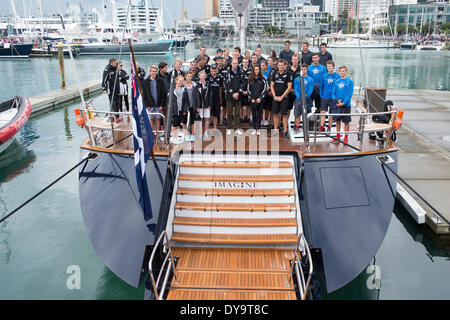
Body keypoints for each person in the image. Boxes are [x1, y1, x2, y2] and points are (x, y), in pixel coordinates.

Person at [270, 59, 293, 139]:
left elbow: (289, 87)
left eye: (281, 65)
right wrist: (274, 96)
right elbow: (272, 86)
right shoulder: (274, 73)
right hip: (276, 97)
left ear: (284, 66)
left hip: (284, 97)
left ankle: (285, 131)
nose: (280, 67)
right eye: (279, 65)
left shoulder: (288, 74)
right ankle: (275, 130)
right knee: (275, 113)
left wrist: (282, 97)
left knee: (284, 114)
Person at [331, 65, 354, 145]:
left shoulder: (349, 81)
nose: (342, 72)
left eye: (343, 71)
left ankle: (346, 137)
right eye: (341, 71)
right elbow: (333, 93)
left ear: (346, 71)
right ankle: (337, 137)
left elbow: (349, 94)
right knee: (337, 121)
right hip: (337, 104)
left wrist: (344, 103)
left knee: (346, 122)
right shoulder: (336, 81)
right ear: (339, 72)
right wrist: (336, 100)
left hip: (346, 105)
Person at [142, 65, 167, 132]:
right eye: (152, 71)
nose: (154, 73)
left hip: (158, 104)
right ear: (150, 72)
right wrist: (146, 105)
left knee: (158, 118)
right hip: (150, 104)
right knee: (151, 119)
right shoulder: (145, 82)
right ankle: (152, 133)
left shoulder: (161, 81)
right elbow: (144, 94)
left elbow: (163, 93)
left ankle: (157, 133)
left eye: (155, 71)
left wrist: (162, 104)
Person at [224, 59, 244, 135]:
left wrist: (238, 92)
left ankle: (237, 128)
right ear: (231, 64)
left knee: (237, 113)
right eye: (233, 63)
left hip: (238, 96)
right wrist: (232, 93)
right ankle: (229, 128)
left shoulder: (240, 72)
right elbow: (225, 84)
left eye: (236, 63)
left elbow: (243, 83)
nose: (235, 65)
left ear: (238, 64)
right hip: (230, 96)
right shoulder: (227, 72)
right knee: (229, 113)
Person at [319, 60, 340, 132]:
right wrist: (322, 95)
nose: (329, 68)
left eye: (330, 66)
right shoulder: (324, 75)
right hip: (325, 97)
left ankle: (329, 127)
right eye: (328, 67)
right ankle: (322, 127)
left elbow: (339, 87)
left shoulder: (337, 76)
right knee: (323, 112)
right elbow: (321, 87)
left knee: (331, 113)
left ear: (333, 67)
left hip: (333, 98)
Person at [293, 64, 313, 133]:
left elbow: (310, 89)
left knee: (306, 114)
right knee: (297, 114)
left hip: (307, 99)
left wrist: (307, 96)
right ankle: (297, 127)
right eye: (302, 69)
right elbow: (295, 89)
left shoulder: (310, 79)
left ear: (307, 70)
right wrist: (298, 97)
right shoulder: (297, 79)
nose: (303, 71)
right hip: (298, 98)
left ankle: (305, 127)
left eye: (304, 69)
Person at [248, 65, 266, 135]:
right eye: (255, 70)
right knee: (253, 114)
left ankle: (258, 128)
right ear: (253, 70)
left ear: (259, 70)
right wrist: (251, 98)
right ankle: (254, 128)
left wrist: (260, 98)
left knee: (259, 114)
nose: (256, 71)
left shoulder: (263, 79)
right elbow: (248, 89)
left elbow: (264, 90)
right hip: (252, 100)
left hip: (259, 100)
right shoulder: (250, 79)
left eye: (258, 69)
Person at [193, 71, 211, 139]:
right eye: (201, 76)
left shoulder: (208, 84)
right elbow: (195, 96)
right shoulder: (196, 85)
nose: (202, 77)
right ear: (199, 76)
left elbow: (210, 94)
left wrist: (209, 104)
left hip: (206, 104)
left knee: (207, 118)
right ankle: (200, 133)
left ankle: (206, 132)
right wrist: (196, 106)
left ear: (205, 77)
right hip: (199, 105)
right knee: (200, 119)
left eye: (203, 76)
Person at [207, 64, 223, 130]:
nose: (213, 70)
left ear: (216, 70)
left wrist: (220, 97)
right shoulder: (207, 77)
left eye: (214, 69)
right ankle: (206, 129)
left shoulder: (219, 77)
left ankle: (215, 128)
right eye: (212, 69)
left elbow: (220, 88)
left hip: (216, 98)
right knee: (208, 114)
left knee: (216, 114)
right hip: (209, 98)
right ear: (210, 70)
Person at [260, 60, 271, 127]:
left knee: (266, 108)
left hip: (267, 93)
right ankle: (261, 119)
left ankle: (266, 119)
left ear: (266, 66)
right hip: (260, 93)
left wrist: (268, 87)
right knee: (261, 108)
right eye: (261, 65)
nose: (262, 67)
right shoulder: (259, 74)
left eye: (263, 65)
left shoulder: (269, 73)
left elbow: (270, 82)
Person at [240, 57, 251, 123]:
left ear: (248, 63)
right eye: (244, 62)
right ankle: (241, 117)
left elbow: (252, 81)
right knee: (241, 105)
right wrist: (241, 90)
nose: (245, 63)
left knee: (248, 105)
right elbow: (238, 81)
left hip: (248, 91)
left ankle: (248, 117)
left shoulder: (250, 70)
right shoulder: (240, 70)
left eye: (246, 62)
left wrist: (248, 91)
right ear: (242, 63)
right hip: (241, 90)